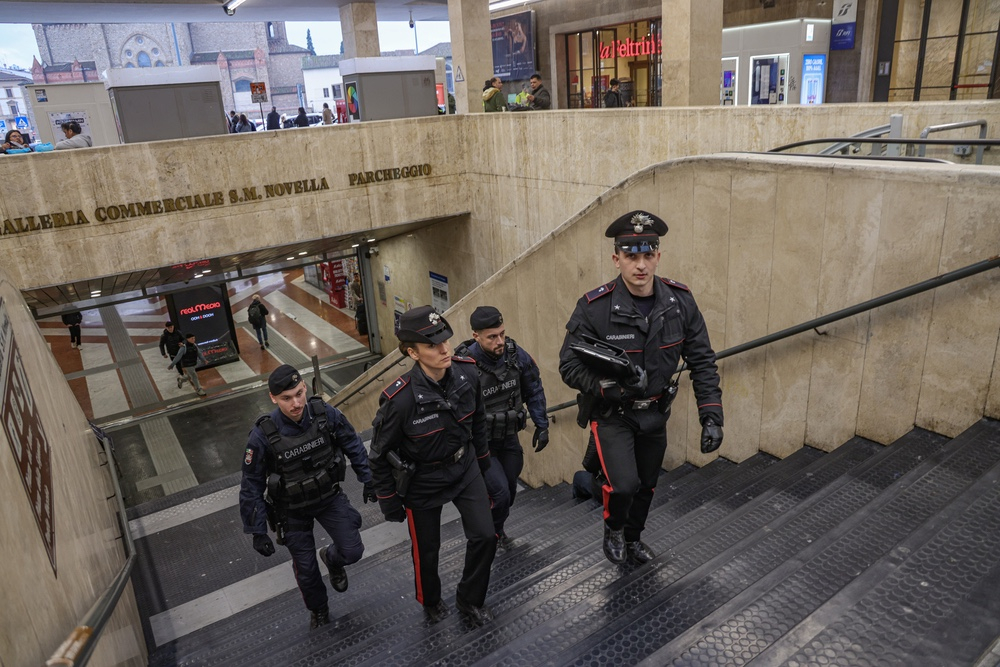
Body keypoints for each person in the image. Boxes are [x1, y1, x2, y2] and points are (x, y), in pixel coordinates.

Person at [558, 210, 723, 566]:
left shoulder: (680, 302)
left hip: (655, 414)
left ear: (658, 257)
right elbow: (568, 366)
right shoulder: (594, 309)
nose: (641, 265)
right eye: (631, 256)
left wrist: (711, 415)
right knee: (624, 485)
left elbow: (702, 360)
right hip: (613, 414)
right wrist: (606, 387)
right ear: (616, 258)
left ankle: (633, 538)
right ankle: (614, 528)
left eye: (648, 255)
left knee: (647, 484)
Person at [370, 306, 496, 625]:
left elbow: (478, 421)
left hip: (464, 467)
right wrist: (388, 502)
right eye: (432, 345)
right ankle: (431, 601)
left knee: (484, 535)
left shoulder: (468, 373)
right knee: (428, 551)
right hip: (423, 480)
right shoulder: (400, 401)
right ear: (412, 352)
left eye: (445, 341)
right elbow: (378, 453)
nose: (444, 349)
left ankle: (470, 600)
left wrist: (484, 466)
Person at [239, 364, 375, 629]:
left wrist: (369, 479)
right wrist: (257, 531)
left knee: (353, 550)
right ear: (273, 399)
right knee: (306, 569)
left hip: (329, 498)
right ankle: (319, 610)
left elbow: (353, 444)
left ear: (305, 387)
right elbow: (251, 484)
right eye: (287, 398)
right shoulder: (262, 436)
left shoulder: (326, 414)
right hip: (291, 510)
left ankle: (332, 559)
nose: (296, 403)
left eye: (299, 393)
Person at [455, 306, 548, 548]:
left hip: (508, 438)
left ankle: (495, 528)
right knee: (500, 494)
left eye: (502, 334)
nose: (500, 341)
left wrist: (542, 423)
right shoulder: (462, 366)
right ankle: (491, 535)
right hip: (481, 446)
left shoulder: (516, 355)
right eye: (492, 337)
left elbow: (534, 388)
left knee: (509, 492)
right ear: (476, 336)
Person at [168, 332, 208, 396]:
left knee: (190, 375)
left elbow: (199, 353)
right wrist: (172, 364)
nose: (193, 339)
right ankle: (199, 389)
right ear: (188, 339)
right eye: (192, 338)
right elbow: (178, 356)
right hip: (187, 364)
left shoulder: (194, 345)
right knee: (194, 376)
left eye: (194, 338)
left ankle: (181, 379)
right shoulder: (183, 347)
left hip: (193, 363)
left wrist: (204, 360)